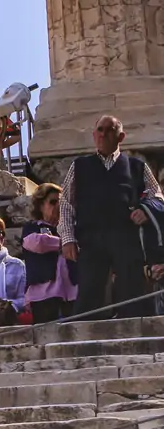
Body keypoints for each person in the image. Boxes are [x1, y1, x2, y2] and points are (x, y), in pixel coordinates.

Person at [59, 115, 162, 319]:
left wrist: (145, 208)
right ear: (93, 134)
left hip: (126, 237)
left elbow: (157, 194)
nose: (103, 134)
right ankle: (84, 343)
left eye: (109, 130)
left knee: (131, 291)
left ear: (120, 136)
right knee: (89, 291)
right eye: (100, 130)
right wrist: (68, 238)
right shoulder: (79, 166)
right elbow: (66, 202)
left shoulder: (137, 166)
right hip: (90, 237)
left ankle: (134, 340)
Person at [20, 184, 77, 323]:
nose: (57, 206)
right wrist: (64, 243)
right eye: (52, 202)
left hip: (71, 294)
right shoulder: (33, 227)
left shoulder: (70, 229)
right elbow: (36, 242)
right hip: (44, 295)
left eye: (60, 202)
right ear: (40, 206)